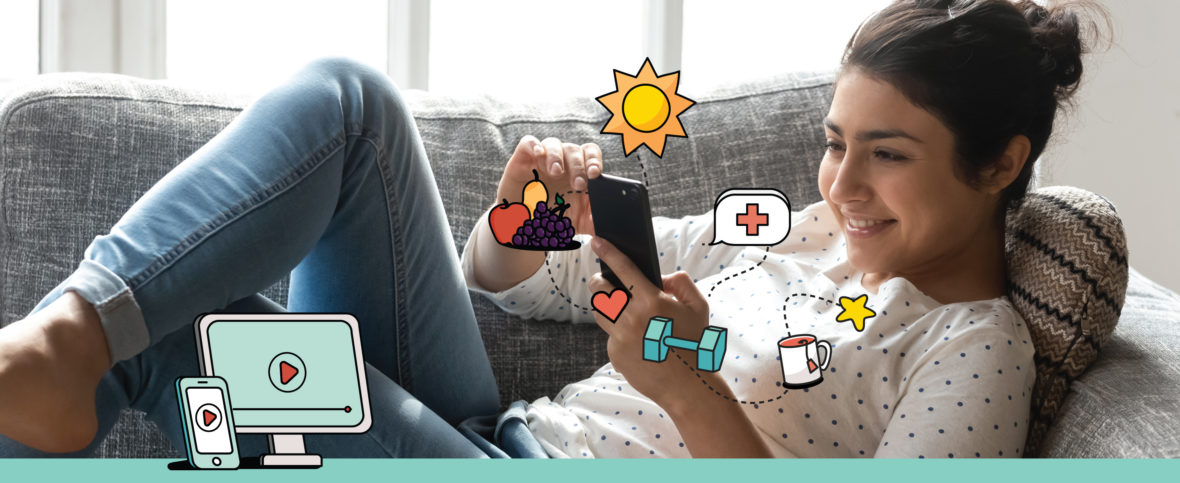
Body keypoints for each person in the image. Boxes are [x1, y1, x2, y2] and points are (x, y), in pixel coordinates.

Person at [0, 0, 1104, 458]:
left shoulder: (974, 346)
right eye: (834, 140)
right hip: (493, 431)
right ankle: (65, 342)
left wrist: (689, 389)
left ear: (1000, 163)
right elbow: (534, 287)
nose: (843, 181)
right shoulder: (788, 232)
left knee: (182, 343)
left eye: (888, 153)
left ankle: (67, 352)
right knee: (348, 100)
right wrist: (520, 231)